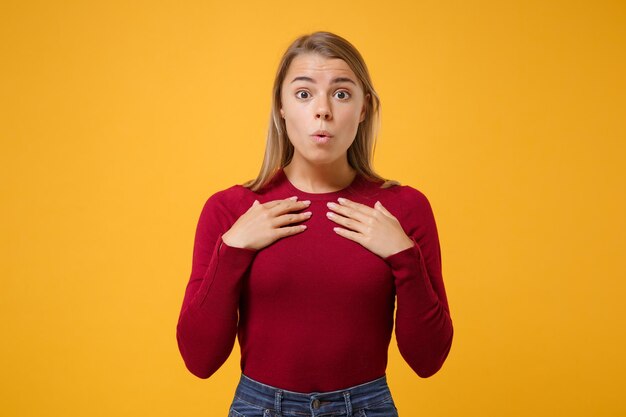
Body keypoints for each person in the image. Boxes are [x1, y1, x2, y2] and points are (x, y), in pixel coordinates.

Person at [176, 31, 453, 417]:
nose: (322, 109)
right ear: (281, 107)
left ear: (363, 108)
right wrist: (233, 250)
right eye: (304, 94)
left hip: (367, 407)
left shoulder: (402, 209)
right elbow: (198, 359)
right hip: (261, 408)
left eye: (341, 93)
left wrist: (404, 256)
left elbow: (429, 359)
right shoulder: (231, 209)